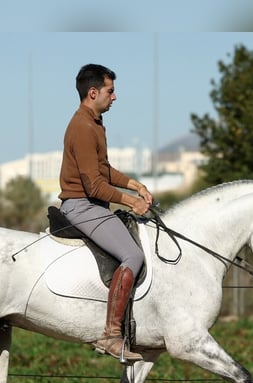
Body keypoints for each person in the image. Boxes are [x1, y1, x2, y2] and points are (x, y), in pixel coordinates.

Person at [58, 63, 154, 363]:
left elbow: (103, 170)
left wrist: (134, 184)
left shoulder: (95, 123)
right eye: (110, 92)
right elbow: (94, 184)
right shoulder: (83, 127)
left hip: (92, 203)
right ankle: (111, 335)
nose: (114, 97)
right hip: (81, 205)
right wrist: (130, 202)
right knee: (133, 256)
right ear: (93, 92)